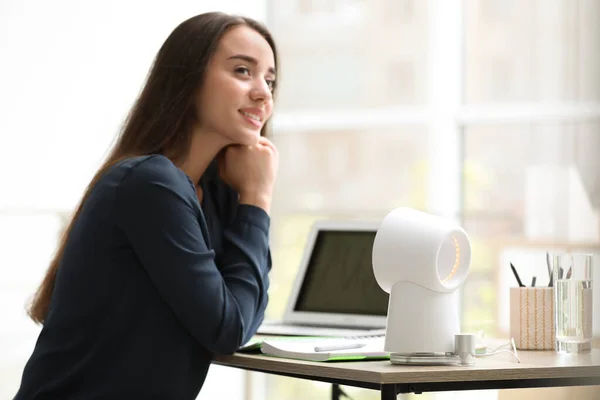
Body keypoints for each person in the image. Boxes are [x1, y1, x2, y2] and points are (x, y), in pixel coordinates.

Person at [14, 11, 278, 400]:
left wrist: (247, 197)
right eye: (243, 71)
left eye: (270, 80)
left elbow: (238, 314)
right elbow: (230, 328)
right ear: (188, 78)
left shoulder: (212, 195)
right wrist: (258, 198)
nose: (263, 93)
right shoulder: (150, 183)